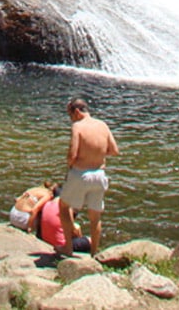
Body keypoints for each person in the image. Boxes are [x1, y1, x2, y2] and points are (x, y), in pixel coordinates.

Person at [56, 97, 120, 256]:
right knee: (95, 216)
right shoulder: (102, 125)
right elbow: (114, 150)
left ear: (76, 112)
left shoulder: (77, 126)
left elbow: (73, 153)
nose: (70, 118)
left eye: (70, 114)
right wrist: (96, 152)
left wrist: (70, 164)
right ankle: (94, 253)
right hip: (99, 174)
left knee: (64, 206)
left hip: (80, 173)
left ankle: (68, 248)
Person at [38, 184, 90, 253]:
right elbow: (73, 230)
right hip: (60, 244)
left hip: (46, 239)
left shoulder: (46, 204)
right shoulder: (66, 207)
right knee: (89, 240)